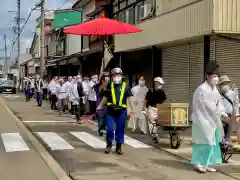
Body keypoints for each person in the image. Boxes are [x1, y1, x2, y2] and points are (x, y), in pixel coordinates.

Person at [191, 61, 225, 173]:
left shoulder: (215, 89)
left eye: (217, 76)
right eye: (214, 76)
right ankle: (198, 163)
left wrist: (223, 112)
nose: (216, 78)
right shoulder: (202, 89)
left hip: (212, 120)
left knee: (212, 143)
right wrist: (218, 113)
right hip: (202, 120)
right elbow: (207, 106)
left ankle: (208, 163)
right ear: (207, 76)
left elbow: (219, 103)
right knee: (202, 142)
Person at [97, 68, 135, 155]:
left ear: (121, 76)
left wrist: (132, 110)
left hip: (121, 112)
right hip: (110, 111)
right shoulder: (109, 85)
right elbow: (105, 97)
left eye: (118, 75)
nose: (116, 77)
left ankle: (119, 147)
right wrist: (100, 107)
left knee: (120, 130)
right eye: (114, 75)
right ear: (112, 77)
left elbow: (131, 98)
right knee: (110, 129)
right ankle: (109, 145)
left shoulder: (126, 86)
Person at [218, 75, 239, 143]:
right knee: (220, 134)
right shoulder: (217, 94)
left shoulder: (233, 93)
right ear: (220, 85)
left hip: (229, 117)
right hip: (220, 117)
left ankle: (225, 145)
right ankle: (221, 145)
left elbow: (236, 104)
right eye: (224, 83)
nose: (226, 85)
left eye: (227, 83)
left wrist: (236, 115)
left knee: (228, 134)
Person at [145, 77, 167, 141]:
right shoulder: (151, 91)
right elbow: (146, 100)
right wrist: (145, 108)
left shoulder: (161, 91)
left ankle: (155, 135)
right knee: (152, 121)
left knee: (155, 122)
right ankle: (155, 135)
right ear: (156, 83)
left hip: (157, 108)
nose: (161, 85)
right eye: (160, 83)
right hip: (152, 108)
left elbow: (164, 99)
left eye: (161, 84)